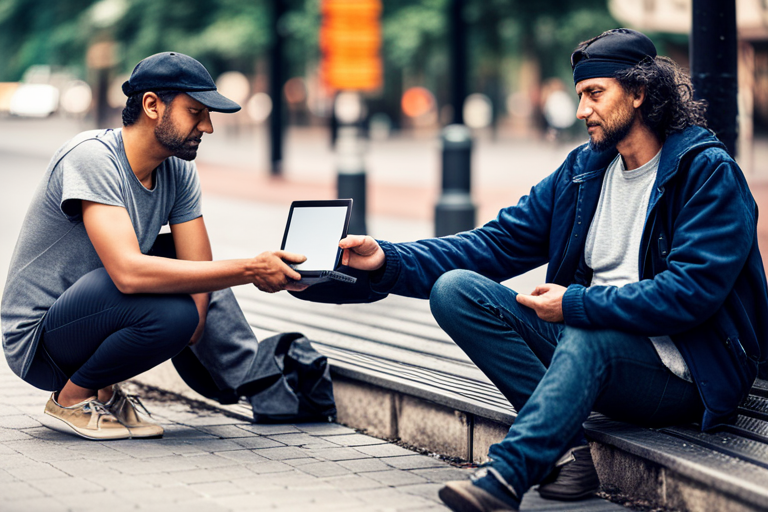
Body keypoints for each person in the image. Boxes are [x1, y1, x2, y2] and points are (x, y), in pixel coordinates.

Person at [328, 29, 768, 511]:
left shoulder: (706, 172)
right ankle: (564, 450)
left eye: (595, 94)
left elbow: (690, 292)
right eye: (580, 95)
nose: (582, 111)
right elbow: (493, 244)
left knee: (587, 329)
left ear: (640, 93)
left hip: (682, 373)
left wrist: (575, 304)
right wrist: (388, 259)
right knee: (456, 290)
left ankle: (505, 477)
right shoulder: (584, 170)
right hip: (593, 349)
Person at [1, 52, 307, 440]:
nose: (207, 127)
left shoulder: (178, 169)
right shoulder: (92, 157)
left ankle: (106, 392)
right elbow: (128, 274)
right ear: (151, 105)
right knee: (169, 309)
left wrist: (193, 324)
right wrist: (251, 269)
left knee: (179, 306)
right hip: (39, 342)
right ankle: (70, 399)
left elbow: (196, 276)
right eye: (196, 112)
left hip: (94, 316)